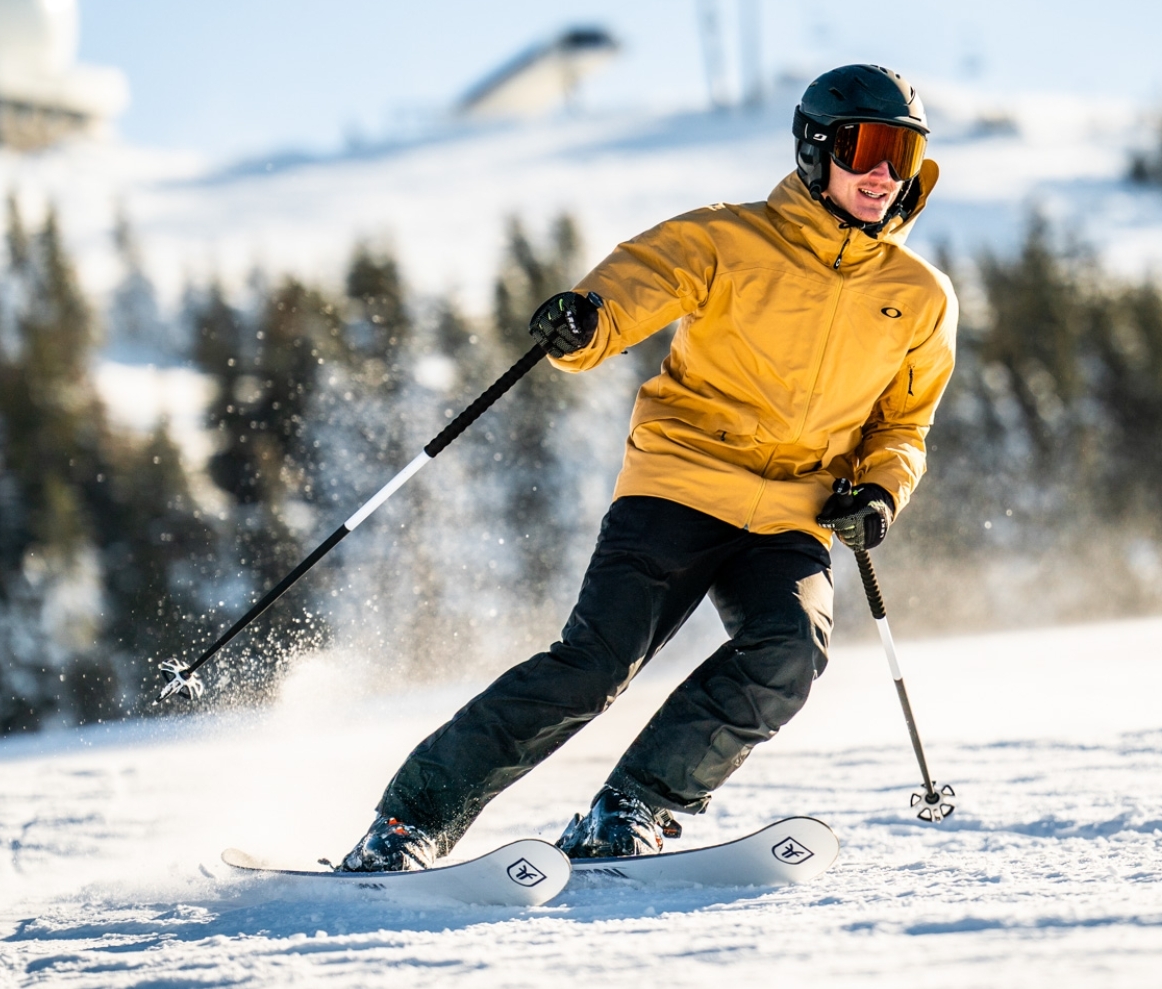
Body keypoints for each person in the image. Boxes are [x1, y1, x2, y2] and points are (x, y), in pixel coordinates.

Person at [340, 64, 959, 871]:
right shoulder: (728, 238)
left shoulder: (919, 295)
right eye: (866, 147)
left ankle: (631, 807)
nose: (883, 174)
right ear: (816, 150)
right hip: (681, 482)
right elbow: (639, 281)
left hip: (793, 514)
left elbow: (902, 423)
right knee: (595, 666)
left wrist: (878, 491)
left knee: (788, 651)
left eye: (903, 154)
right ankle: (407, 822)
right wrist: (586, 321)